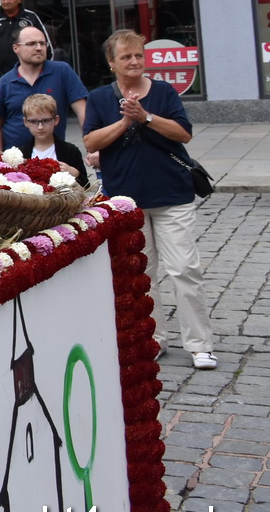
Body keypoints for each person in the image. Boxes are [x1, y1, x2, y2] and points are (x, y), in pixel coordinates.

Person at [83, 29, 218, 370]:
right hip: (127, 201)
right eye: (126, 56)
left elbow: (183, 133)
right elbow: (91, 142)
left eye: (139, 56)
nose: (134, 62)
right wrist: (125, 120)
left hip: (173, 195)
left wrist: (146, 117)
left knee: (185, 269)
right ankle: (153, 338)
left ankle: (200, 344)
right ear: (112, 63)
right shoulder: (99, 98)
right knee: (143, 273)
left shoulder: (164, 92)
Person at [0, 26, 86, 150]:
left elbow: (82, 111)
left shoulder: (62, 71)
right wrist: (0, 160)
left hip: (54, 157)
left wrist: (92, 148)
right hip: (15, 160)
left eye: (42, 43)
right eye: (31, 44)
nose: (39, 48)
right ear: (16, 48)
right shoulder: (5, 82)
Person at [10, 92, 86, 180]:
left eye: (46, 121)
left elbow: (86, 185)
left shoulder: (70, 151)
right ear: (25, 122)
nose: (40, 127)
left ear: (56, 120)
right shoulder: (20, 154)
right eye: (33, 122)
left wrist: (75, 173)